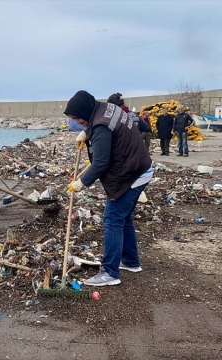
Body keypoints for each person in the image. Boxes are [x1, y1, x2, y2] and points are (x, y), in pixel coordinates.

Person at [64, 90, 154, 287]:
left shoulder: (101, 125)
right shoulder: (105, 108)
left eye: (77, 118)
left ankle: (110, 272)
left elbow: (100, 163)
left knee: (112, 219)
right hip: (139, 167)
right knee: (123, 217)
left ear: (85, 111)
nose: (77, 121)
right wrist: (86, 134)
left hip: (131, 174)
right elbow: (101, 130)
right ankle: (130, 261)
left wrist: (81, 182)